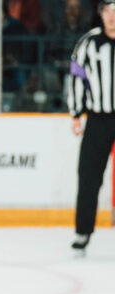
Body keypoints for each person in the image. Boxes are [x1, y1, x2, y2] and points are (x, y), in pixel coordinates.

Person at [67, 0, 115, 253]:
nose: (112, 17)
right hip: (98, 118)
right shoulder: (88, 42)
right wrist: (76, 113)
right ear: (101, 14)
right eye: (108, 11)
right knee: (88, 175)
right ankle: (83, 231)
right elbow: (76, 77)